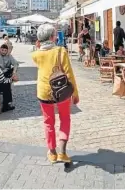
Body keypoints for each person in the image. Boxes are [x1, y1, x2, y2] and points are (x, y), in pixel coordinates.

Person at [32, 23, 79, 164]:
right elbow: (69, 73)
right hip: (61, 90)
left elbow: (38, 53)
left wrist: (38, 46)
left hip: (44, 92)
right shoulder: (60, 51)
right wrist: (75, 93)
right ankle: (62, 153)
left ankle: (52, 152)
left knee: (48, 122)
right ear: (53, 37)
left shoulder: (36, 54)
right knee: (65, 119)